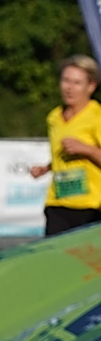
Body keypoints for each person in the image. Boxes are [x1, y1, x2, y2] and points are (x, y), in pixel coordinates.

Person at [29, 55, 101, 234]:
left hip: (90, 206)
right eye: (66, 80)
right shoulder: (54, 117)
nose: (69, 88)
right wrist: (46, 168)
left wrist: (87, 149)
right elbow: (63, 156)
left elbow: (84, 152)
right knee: (54, 260)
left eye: (77, 83)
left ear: (90, 86)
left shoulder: (96, 116)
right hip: (57, 202)